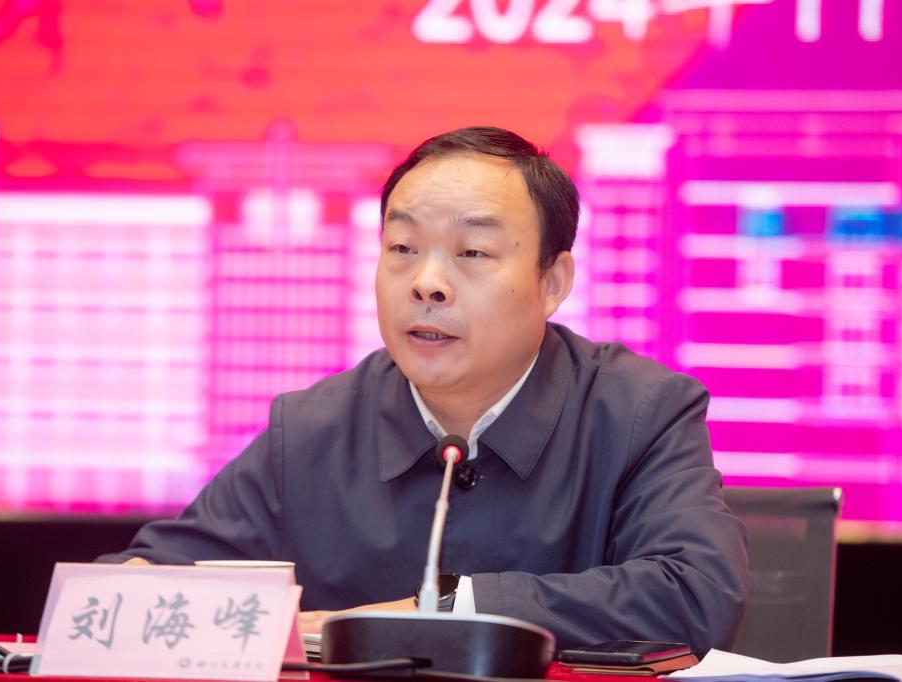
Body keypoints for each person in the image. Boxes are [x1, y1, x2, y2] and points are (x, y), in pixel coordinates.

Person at [98, 126, 748, 655]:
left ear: (552, 282)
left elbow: (694, 593)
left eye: (472, 253)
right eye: (403, 247)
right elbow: (155, 578)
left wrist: (445, 610)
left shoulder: (637, 412)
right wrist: (130, 594)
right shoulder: (312, 429)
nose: (427, 283)